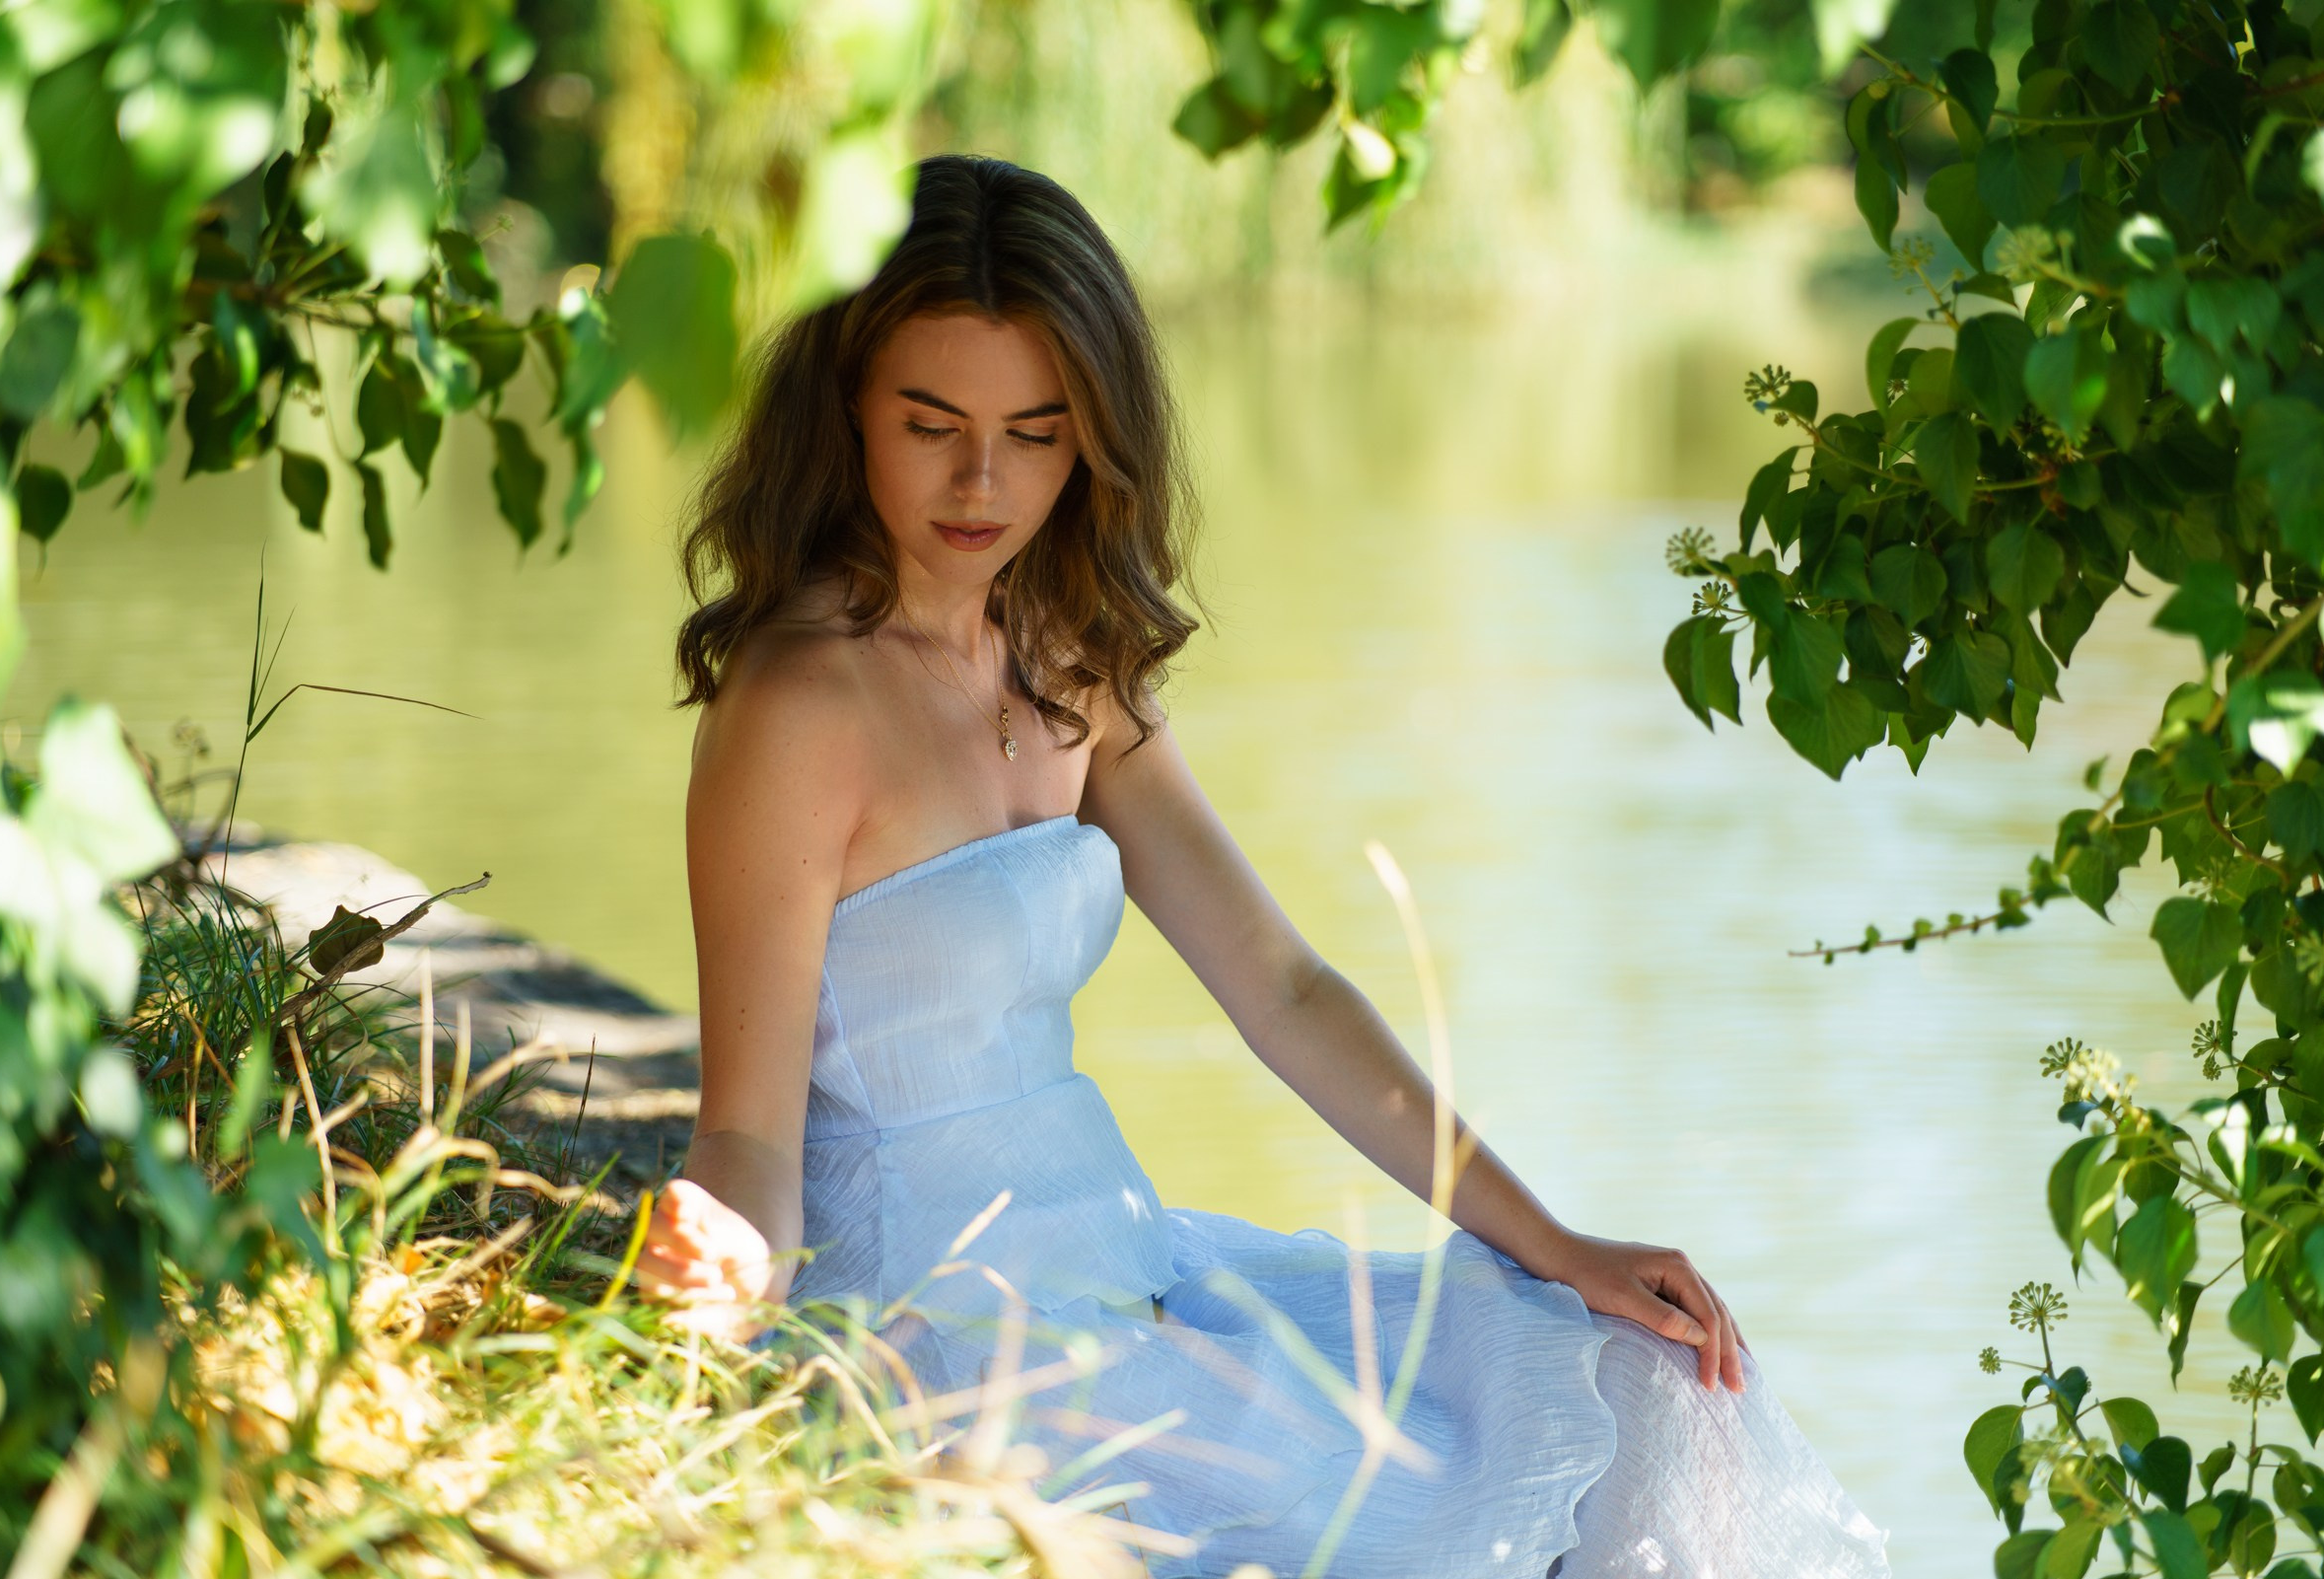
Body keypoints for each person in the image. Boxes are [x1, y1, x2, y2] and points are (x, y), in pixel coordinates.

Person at [631, 152, 1890, 1578]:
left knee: (1642, 1377)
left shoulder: (1066, 661)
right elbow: (747, 1133)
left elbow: (1283, 985)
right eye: (931, 424)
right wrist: (713, 1308)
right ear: (847, 406)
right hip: (945, 1328)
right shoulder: (796, 710)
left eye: (1037, 433)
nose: (982, 482)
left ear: (1092, 437)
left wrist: (1551, 1237)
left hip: (1126, 1268)